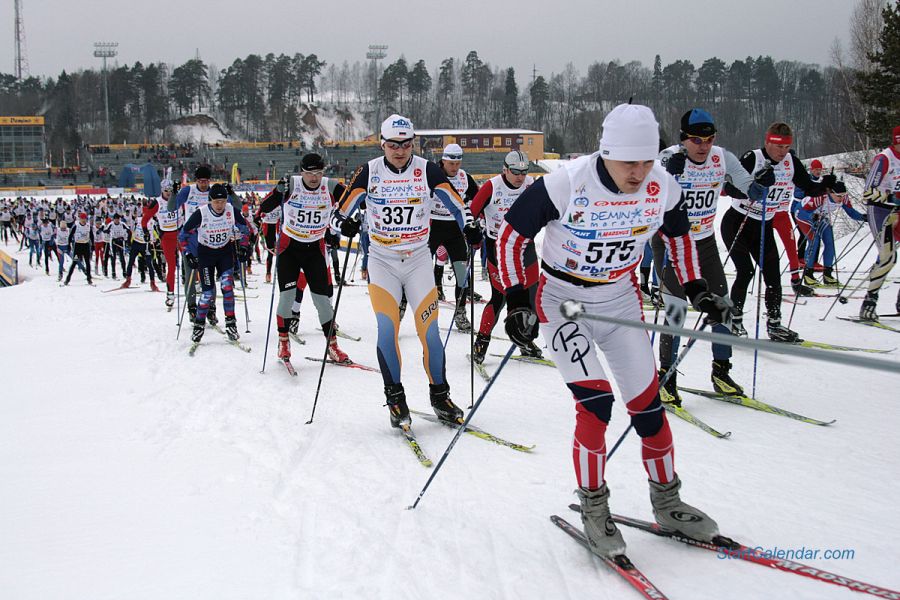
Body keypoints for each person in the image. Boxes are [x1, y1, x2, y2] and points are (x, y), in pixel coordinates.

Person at [498, 103, 730, 558]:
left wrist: (698, 288)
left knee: (648, 407)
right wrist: (515, 300)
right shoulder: (566, 183)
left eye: (647, 161)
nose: (639, 172)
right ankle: (594, 508)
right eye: (630, 162)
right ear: (606, 153)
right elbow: (510, 238)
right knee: (596, 404)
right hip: (563, 301)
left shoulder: (662, 186)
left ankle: (668, 502)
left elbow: (679, 239)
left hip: (620, 300)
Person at [335, 114, 481, 429]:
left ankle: (440, 395)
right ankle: (396, 397)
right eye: (393, 144)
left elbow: (457, 204)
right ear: (382, 143)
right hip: (382, 261)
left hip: (417, 261)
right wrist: (341, 225)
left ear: (412, 143)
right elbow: (340, 212)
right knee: (387, 330)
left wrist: (469, 225)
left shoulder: (426, 170)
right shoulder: (369, 171)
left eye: (405, 144)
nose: (399, 150)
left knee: (429, 332)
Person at [654, 108, 766, 404]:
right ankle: (666, 376)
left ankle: (721, 370)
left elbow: (748, 188)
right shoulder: (666, 159)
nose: (703, 146)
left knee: (723, 304)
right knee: (676, 310)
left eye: (708, 138)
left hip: (704, 241)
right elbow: (645, 193)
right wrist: (667, 175)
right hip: (669, 242)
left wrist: (760, 185)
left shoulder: (722, 157)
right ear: (683, 140)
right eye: (696, 140)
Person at [721, 122, 844, 342]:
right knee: (746, 271)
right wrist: (755, 184)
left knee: (773, 276)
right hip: (738, 221)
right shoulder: (753, 158)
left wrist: (825, 184)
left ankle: (775, 324)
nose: (782, 152)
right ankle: (734, 319)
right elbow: (728, 187)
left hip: (763, 225)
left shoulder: (791, 162)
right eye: (778, 146)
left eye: (787, 147)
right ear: (767, 142)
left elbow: (808, 187)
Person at [256, 152, 351, 364]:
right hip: (290, 249)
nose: (314, 178)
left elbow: (351, 201)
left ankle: (333, 346)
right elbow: (265, 207)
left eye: (318, 173)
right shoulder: (292, 184)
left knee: (323, 302)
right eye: (310, 173)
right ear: (302, 173)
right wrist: (278, 192)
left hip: (314, 249)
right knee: (287, 298)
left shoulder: (331, 186)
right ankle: (283, 344)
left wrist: (347, 223)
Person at [468, 150, 541, 363]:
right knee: (500, 297)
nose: (520, 176)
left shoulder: (530, 184)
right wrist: (471, 229)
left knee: (531, 296)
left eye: (524, 172)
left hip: (524, 247)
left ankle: (525, 338)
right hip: (497, 248)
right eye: (515, 172)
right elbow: (470, 211)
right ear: (505, 170)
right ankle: (482, 341)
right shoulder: (492, 186)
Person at [179, 184, 251, 342]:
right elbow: (183, 234)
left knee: (227, 288)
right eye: (216, 202)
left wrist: (245, 247)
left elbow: (245, 229)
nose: (220, 205)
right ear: (210, 201)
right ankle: (199, 326)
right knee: (207, 293)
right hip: (206, 254)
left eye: (223, 201)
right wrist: (188, 253)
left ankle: (231, 325)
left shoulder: (231, 211)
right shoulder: (201, 213)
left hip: (224, 253)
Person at [430, 143, 481, 332]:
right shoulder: (432, 174)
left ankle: (461, 314)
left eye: (458, 163)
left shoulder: (465, 178)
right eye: (451, 163)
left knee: (462, 274)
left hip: (454, 228)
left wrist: (473, 223)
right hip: (433, 225)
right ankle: (403, 306)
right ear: (443, 160)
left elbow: (478, 199)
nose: (454, 167)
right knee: (418, 271)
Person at [794, 160, 866, 287]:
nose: (841, 199)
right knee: (814, 241)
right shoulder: (819, 197)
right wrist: (813, 216)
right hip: (803, 215)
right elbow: (801, 210)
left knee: (829, 241)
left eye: (843, 195)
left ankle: (828, 274)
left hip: (821, 217)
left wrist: (865, 217)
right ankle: (808, 274)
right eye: (838, 196)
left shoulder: (843, 197)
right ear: (830, 192)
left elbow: (851, 212)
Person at [859, 125, 900, 321]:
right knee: (888, 257)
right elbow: (867, 192)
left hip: (898, 212)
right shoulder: (884, 159)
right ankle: (869, 302)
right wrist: (890, 196)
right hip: (880, 211)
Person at [142, 179, 180, 307]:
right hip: (167, 236)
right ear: (161, 190)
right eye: (166, 191)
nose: (169, 193)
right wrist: (146, 232)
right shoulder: (157, 203)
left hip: (180, 233)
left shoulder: (178, 198)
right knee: (171, 266)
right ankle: (170, 294)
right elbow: (145, 219)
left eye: (170, 191)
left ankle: (196, 285)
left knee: (191, 260)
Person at [63, 212, 95, 286]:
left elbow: (92, 236)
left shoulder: (88, 226)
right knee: (74, 262)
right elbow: (70, 236)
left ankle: (89, 278)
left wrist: (93, 244)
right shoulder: (76, 226)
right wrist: (69, 244)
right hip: (78, 246)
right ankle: (67, 279)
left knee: (87, 262)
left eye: (84, 219)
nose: (83, 220)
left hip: (86, 246)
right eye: (82, 218)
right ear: (80, 219)